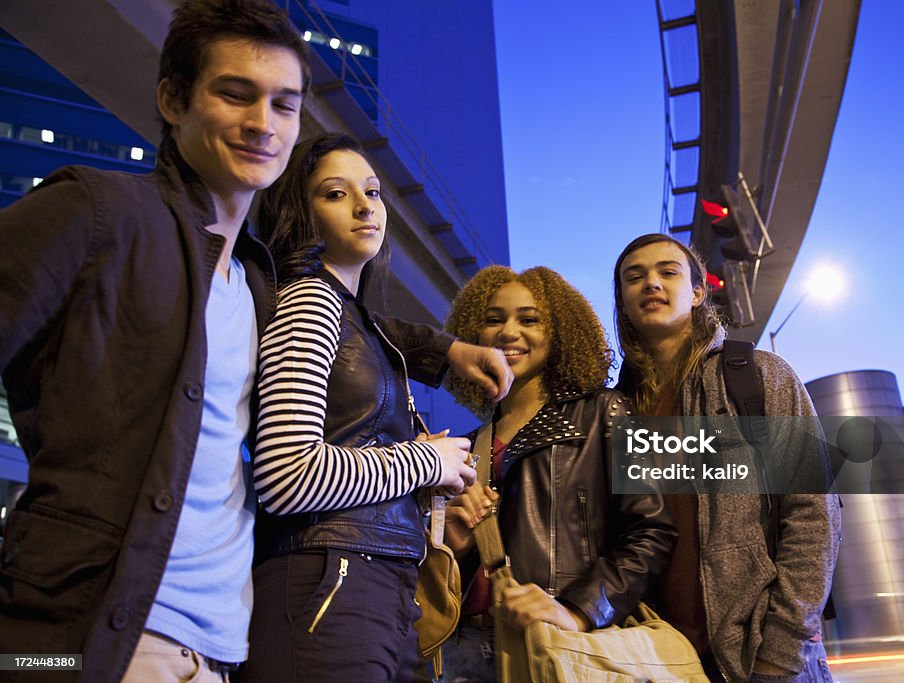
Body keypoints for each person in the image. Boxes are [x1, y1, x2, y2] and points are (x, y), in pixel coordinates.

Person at [0, 2, 509, 680]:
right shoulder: (99, 213)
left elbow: (357, 322)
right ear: (173, 99)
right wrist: (423, 457)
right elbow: (291, 462)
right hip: (97, 629)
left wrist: (445, 350)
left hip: (219, 644)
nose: (262, 122)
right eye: (235, 94)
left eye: (284, 104)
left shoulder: (259, 284)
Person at [240, 132, 483, 682]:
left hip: (369, 584)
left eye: (372, 191)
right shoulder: (311, 300)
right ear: (300, 214)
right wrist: (428, 461)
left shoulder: (351, 314)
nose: (364, 205)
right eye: (334, 192)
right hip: (330, 579)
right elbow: (286, 475)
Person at [612, 233, 841, 683]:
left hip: (758, 654)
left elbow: (814, 512)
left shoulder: (758, 376)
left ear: (697, 292)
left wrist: (781, 648)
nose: (651, 283)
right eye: (634, 277)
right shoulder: (618, 409)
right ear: (622, 300)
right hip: (658, 656)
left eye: (667, 272)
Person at [440, 266, 677, 682]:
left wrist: (581, 610)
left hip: (558, 648)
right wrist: (455, 546)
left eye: (529, 320)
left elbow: (651, 530)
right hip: (462, 653)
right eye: (493, 319)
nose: (508, 331)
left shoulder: (607, 412)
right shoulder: (465, 447)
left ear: (560, 332)